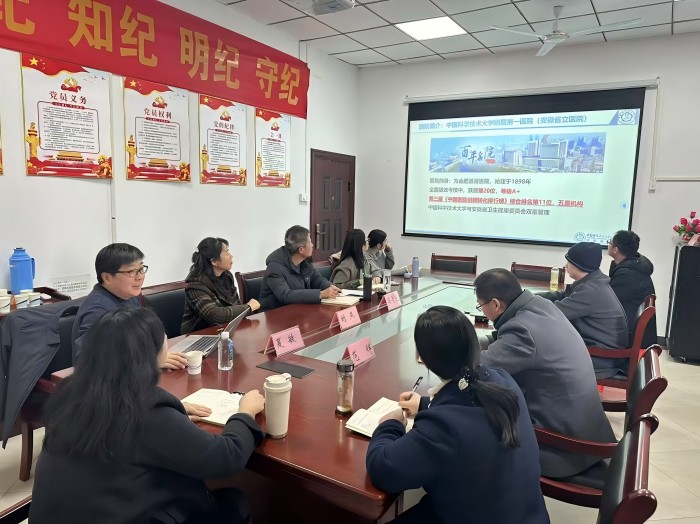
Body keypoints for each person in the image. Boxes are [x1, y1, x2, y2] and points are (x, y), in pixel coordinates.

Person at [30, 308, 266, 524]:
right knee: (234, 501)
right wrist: (245, 411)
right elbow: (226, 458)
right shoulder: (143, 412)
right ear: (148, 353)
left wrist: (173, 413)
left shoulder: (71, 395)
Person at [366, 306, 549, 524]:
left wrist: (390, 424)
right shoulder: (502, 380)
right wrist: (425, 404)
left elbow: (384, 469)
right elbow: (471, 408)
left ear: (422, 357)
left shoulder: (443, 427)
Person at [475, 269, 616, 479]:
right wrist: (478, 341)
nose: (482, 311)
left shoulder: (522, 331)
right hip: (588, 428)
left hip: (565, 447)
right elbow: (503, 340)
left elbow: (479, 367)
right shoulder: (540, 306)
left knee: (476, 426)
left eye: (480, 306)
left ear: (495, 304)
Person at [71, 243, 186, 370]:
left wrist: (159, 354)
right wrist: (151, 362)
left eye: (141, 269)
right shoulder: (97, 310)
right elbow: (90, 363)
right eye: (131, 272)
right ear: (107, 278)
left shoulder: (129, 296)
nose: (140, 277)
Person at [538, 242, 628, 377]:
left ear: (579, 264)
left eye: (568, 262)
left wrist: (528, 304)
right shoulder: (593, 281)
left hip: (602, 357)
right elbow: (561, 295)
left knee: (539, 353)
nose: (565, 266)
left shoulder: (591, 290)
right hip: (599, 348)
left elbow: (554, 312)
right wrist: (529, 296)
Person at [181, 237, 261, 334]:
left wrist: (246, 309)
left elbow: (236, 304)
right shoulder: (195, 285)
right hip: (198, 336)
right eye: (226, 252)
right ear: (214, 261)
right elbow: (215, 316)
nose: (231, 256)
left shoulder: (226, 276)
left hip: (224, 330)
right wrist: (248, 307)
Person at [259, 225, 341, 310]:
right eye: (310, 243)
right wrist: (320, 294)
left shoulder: (304, 260)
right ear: (301, 250)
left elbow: (316, 279)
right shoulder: (274, 267)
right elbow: (285, 295)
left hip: (299, 309)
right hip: (275, 313)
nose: (312, 245)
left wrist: (330, 287)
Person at [608, 230, 657, 347]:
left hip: (626, 333)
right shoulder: (634, 265)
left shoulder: (627, 274)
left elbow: (609, 302)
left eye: (609, 242)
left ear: (615, 250)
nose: (608, 244)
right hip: (628, 324)